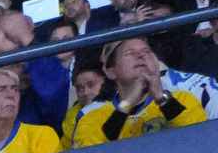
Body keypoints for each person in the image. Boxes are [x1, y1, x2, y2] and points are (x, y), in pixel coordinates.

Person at [71, 37, 207, 145]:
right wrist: (127, 103)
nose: (141, 56)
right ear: (111, 71)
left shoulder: (182, 99)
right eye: (130, 53)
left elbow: (200, 139)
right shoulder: (91, 119)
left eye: (146, 51)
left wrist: (161, 97)